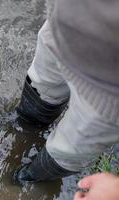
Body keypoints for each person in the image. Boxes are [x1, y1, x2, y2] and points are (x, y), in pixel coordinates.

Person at [12, 0, 119, 184]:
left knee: (69, 150)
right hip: (63, 25)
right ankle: (25, 126)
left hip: (108, 93)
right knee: (41, 87)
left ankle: (24, 180)